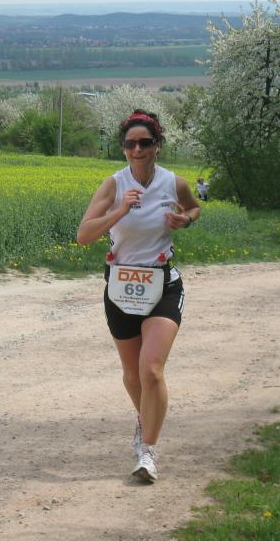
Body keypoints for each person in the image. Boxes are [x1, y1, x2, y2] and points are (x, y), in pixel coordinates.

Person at [77, 109, 200, 483]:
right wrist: (119, 211)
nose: (137, 149)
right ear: (123, 148)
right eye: (130, 143)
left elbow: (194, 207)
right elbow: (84, 235)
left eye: (145, 142)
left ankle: (147, 451)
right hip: (121, 285)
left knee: (151, 368)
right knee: (132, 375)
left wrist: (185, 219)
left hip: (162, 284)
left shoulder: (173, 182)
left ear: (157, 145)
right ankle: (145, 417)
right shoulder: (113, 185)